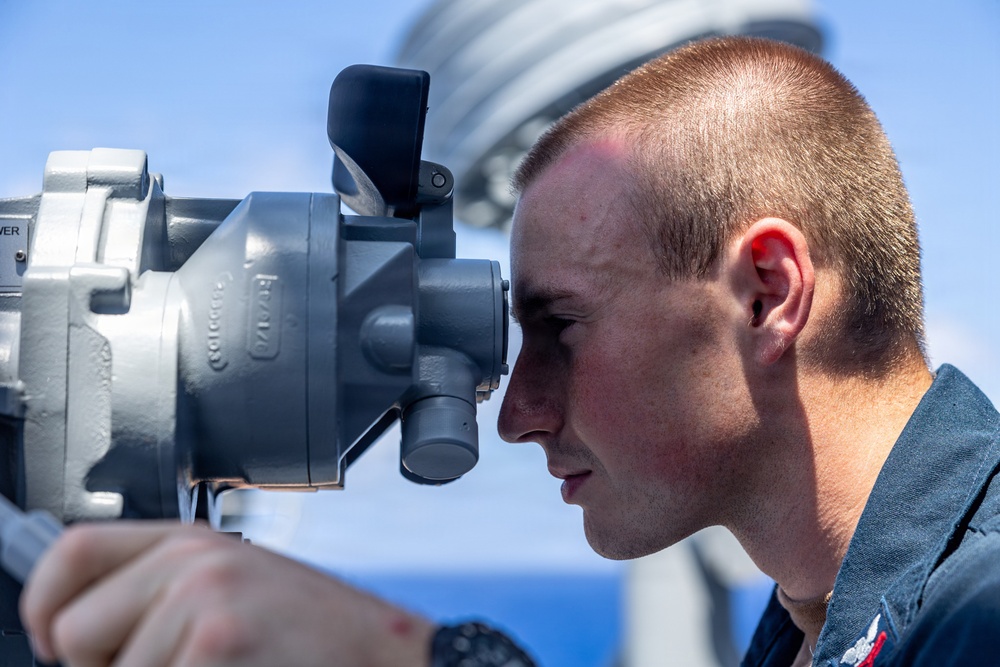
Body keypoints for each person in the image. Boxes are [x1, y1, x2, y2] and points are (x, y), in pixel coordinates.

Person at [18, 36, 1000, 667]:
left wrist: (409, 658)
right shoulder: (814, 624)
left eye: (562, 328)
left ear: (765, 295)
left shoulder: (982, 607)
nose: (517, 413)